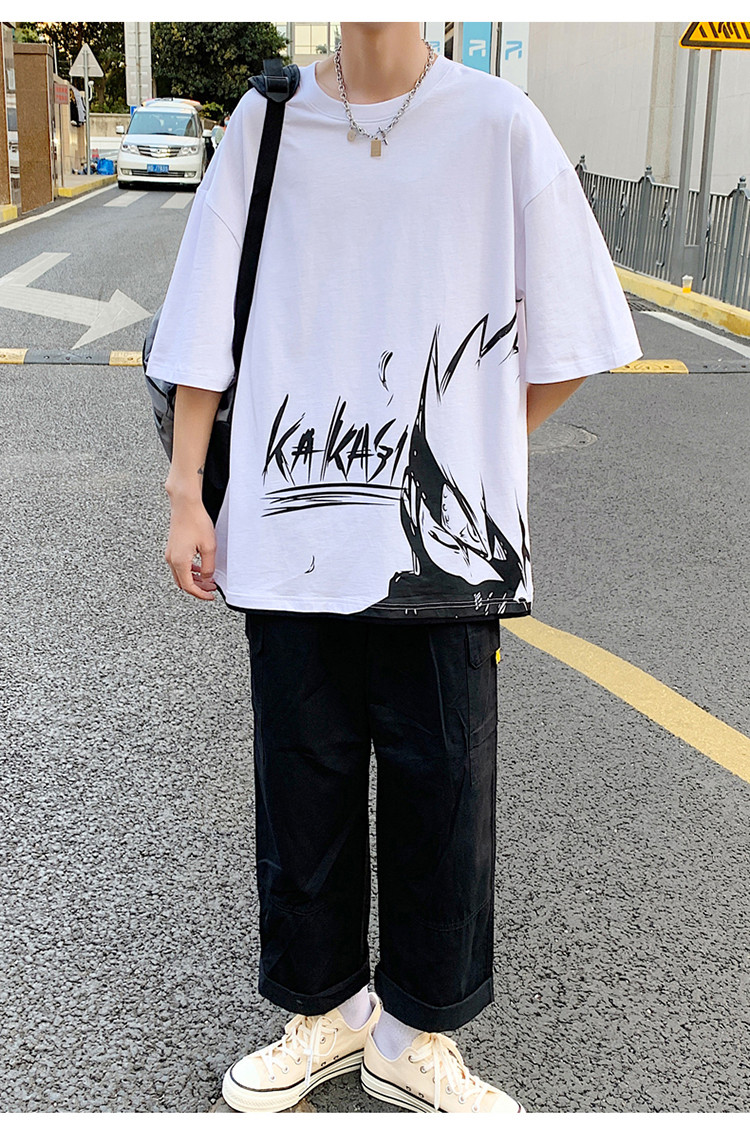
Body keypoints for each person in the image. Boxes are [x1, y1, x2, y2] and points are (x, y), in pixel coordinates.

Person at [147, 22, 642, 1115]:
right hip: (291, 533)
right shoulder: (269, 118)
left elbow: (580, 322)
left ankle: (414, 1035)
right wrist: (187, 489)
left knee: (443, 792)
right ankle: (325, 1015)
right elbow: (202, 315)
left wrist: (468, 446)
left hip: (441, 563)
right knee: (301, 784)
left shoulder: (498, 123)